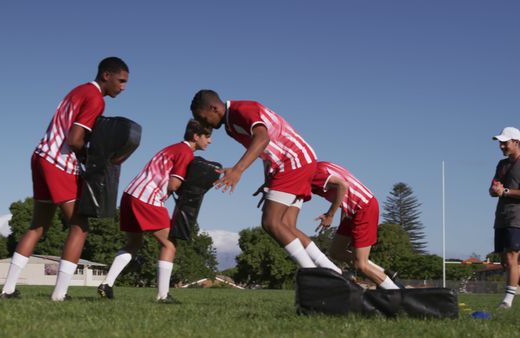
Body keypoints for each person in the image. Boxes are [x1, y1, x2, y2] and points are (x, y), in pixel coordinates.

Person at [0, 57, 129, 301]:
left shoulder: (78, 90)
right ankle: (59, 294)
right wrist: (93, 157)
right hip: (58, 161)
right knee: (80, 227)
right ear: (106, 75)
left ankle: (8, 289)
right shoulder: (96, 99)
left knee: (38, 225)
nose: (123, 87)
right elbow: (75, 138)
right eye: (121, 81)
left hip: (40, 155)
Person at [189, 90, 341, 273]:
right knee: (287, 226)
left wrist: (238, 170)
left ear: (213, 108)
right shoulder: (230, 126)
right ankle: (333, 272)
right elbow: (263, 150)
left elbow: (262, 138)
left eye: (202, 116)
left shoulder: (241, 110)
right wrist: (269, 179)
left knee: (271, 222)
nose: (203, 122)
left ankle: (315, 274)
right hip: (298, 161)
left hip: (292, 161)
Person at [97, 119, 212, 303]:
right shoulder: (185, 153)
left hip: (130, 194)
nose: (210, 141)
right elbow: (173, 185)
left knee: (133, 243)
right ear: (196, 136)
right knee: (169, 244)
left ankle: (106, 284)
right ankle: (163, 295)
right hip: (147, 199)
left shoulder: (172, 148)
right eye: (207, 136)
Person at [310, 161, 400, 289]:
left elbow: (343, 185)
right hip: (351, 211)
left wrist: (329, 215)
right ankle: (386, 273)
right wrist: (343, 223)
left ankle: (396, 292)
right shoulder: (321, 165)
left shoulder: (314, 174)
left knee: (361, 265)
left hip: (364, 208)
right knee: (336, 252)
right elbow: (344, 195)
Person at [489, 126, 520, 309]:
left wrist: (505, 191)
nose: (501, 146)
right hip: (501, 216)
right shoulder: (501, 165)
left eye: (505, 143)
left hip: (517, 217)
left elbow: (505, 191)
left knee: (511, 257)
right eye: (500, 143)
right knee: (505, 261)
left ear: (516, 142)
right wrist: (495, 190)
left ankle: (506, 302)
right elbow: (493, 189)